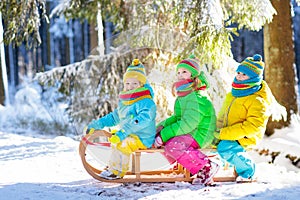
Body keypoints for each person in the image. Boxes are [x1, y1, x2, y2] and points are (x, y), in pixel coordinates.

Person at [154, 55, 219, 185]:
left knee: (173, 144)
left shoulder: (197, 97)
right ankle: (187, 164)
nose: (180, 75)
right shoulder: (184, 96)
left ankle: (206, 166)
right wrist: (161, 127)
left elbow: (187, 124)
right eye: (178, 72)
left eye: (184, 72)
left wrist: (164, 135)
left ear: (193, 75)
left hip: (202, 133)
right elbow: (178, 118)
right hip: (192, 131)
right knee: (169, 142)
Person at [87, 59, 156, 180]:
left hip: (142, 137)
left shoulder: (146, 101)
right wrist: (97, 124)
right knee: (116, 141)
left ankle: (117, 172)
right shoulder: (125, 102)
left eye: (135, 83)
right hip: (128, 134)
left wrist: (123, 132)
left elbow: (143, 119)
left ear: (141, 85)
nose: (130, 87)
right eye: (128, 83)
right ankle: (113, 167)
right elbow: (114, 117)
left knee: (123, 143)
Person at [216, 54, 274, 182]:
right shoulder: (233, 94)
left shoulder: (257, 100)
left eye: (244, 74)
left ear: (253, 77)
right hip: (228, 133)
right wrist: (215, 130)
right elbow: (222, 116)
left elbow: (253, 126)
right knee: (207, 140)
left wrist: (225, 133)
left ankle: (248, 171)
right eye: (239, 72)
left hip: (245, 136)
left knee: (225, 147)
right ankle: (205, 169)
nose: (239, 76)